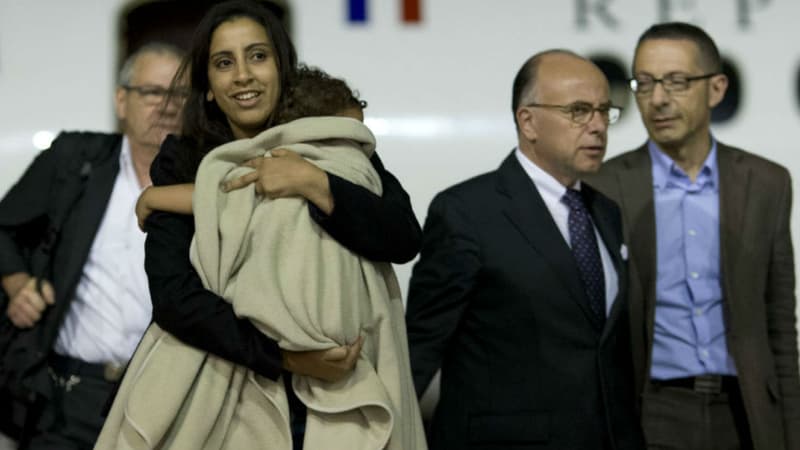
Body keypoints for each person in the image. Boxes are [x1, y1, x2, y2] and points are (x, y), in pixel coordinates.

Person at [95, 1, 422, 449]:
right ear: (208, 86)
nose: (243, 75)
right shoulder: (184, 159)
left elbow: (402, 236)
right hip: (227, 402)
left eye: (258, 56)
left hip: (334, 402)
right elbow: (174, 297)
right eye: (224, 63)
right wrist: (287, 358)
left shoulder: (329, 140)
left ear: (282, 67)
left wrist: (316, 183)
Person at [405, 49, 644, 449]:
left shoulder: (606, 213)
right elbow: (419, 346)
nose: (599, 126)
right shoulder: (467, 211)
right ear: (528, 121)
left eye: (605, 111)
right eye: (579, 111)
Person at [587, 22, 800, 450]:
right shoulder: (604, 187)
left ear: (717, 89)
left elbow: (779, 324)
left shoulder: (765, 182)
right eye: (644, 83)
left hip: (745, 412)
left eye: (677, 82)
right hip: (651, 411)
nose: (658, 99)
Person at [0, 43, 184, 449]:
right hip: (68, 400)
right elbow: (3, 228)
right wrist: (16, 284)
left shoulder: (203, 182)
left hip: (165, 404)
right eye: (153, 92)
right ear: (122, 100)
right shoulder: (75, 160)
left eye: (180, 95)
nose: (168, 106)